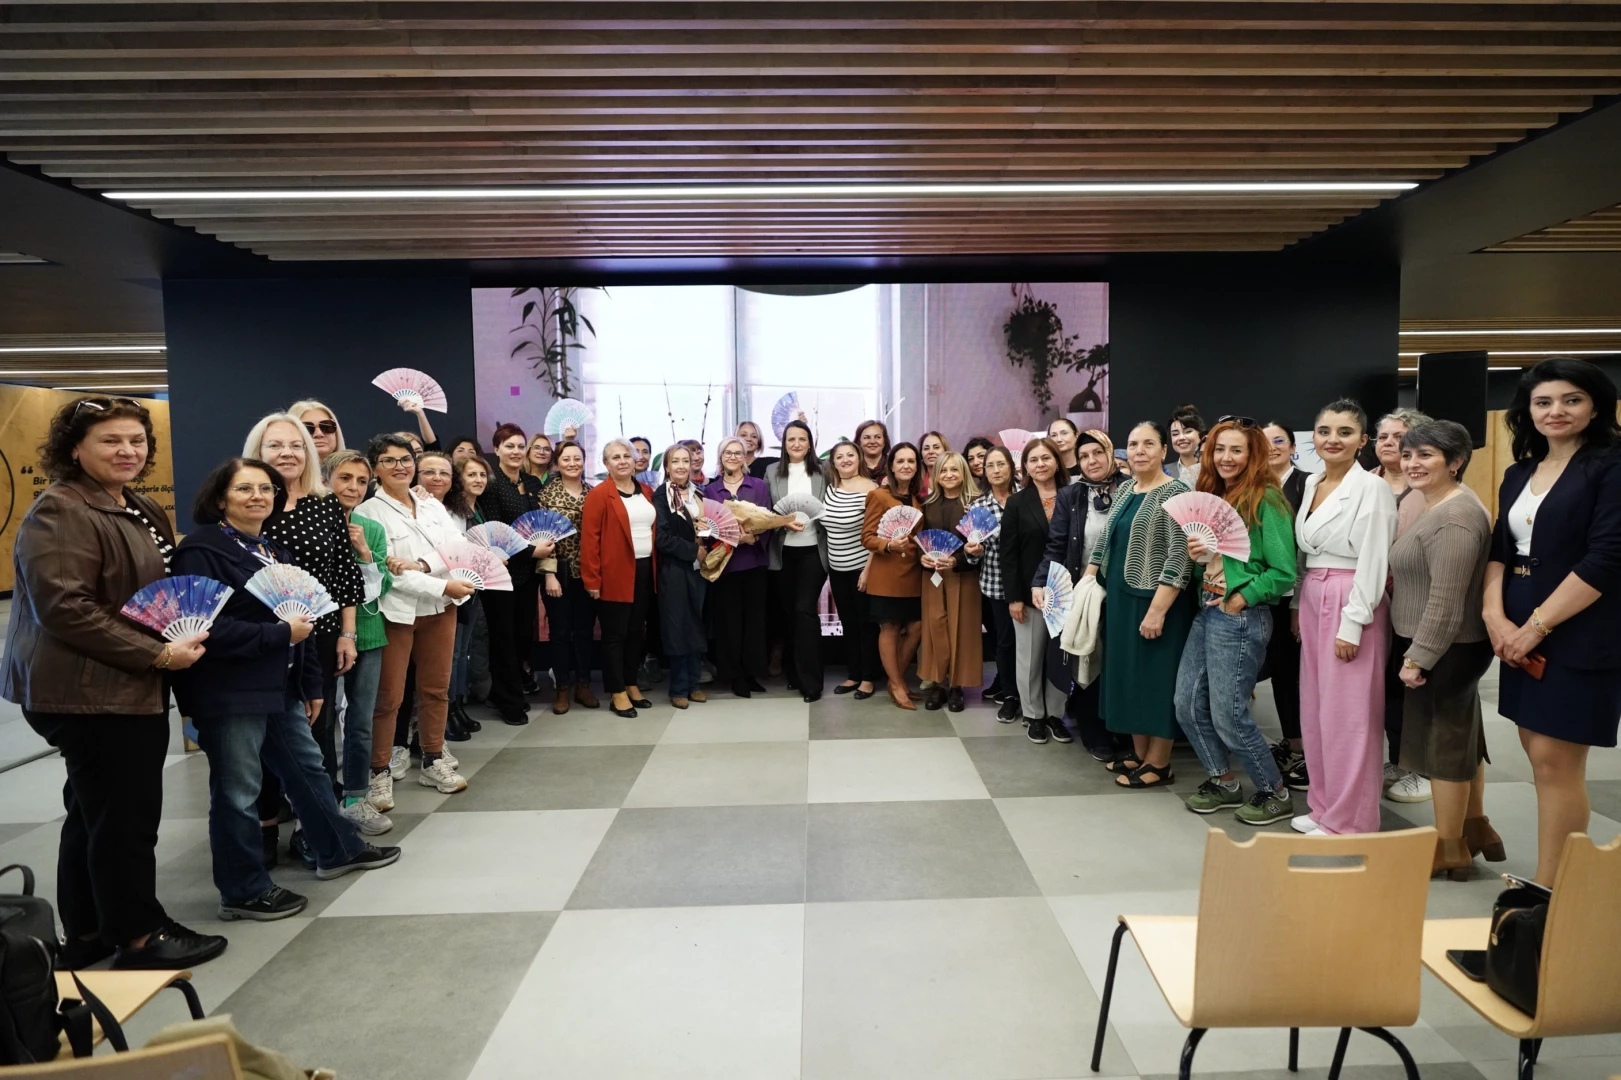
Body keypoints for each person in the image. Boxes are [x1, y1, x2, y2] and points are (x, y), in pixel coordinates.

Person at [4, 396, 225, 969]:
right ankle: (139, 936)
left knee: (94, 813)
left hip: (117, 684)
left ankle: (88, 933)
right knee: (125, 818)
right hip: (89, 691)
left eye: (137, 440)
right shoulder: (62, 510)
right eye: (110, 440)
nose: (128, 451)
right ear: (75, 448)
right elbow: (65, 608)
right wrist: (157, 654)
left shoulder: (135, 504)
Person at [174, 458, 400, 922]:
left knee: (308, 769)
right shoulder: (202, 550)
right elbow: (202, 628)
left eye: (266, 489)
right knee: (238, 790)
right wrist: (278, 635)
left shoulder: (275, 552)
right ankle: (242, 890)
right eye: (244, 489)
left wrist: (310, 683)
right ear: (220, 498)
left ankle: (337, 849)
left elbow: (306, 622)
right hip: (230, 689)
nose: (258, 496)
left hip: (282, 685)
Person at [1484, 358, 1621, 884]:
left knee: (1556, 761)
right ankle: (1553, 884)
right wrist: (1495, 616)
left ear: (1596, 407)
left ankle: (1550, 893)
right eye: (1543, 402)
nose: (1555, 411)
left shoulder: (1610, 467)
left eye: (1571, 399)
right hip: (1517, 621)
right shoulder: (1519, 472)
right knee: (1535, 750)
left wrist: (1535, 628)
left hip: (1579, 624)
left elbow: (1606, 559)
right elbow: (1500, 548)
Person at [244, 412, 364, 865]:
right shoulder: (251, 502)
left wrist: (348, 634)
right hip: (262, 638)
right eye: (276, 445)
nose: (288, 453)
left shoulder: (324, 503)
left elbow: (345, 574)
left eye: (296, 446)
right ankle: (264, 828)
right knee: (263, 737)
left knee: (317, 731)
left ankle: (313, 829)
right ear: (258, 451)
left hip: (321, 636)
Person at [1389, 421, 1499, 878]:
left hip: (1447, 648)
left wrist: (1419, 658)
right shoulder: (1436, 504)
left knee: (1444, 747)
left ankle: (1448, 846)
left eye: (1426, 455)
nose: (1413, 464)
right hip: (1443, 645)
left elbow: (1446, 600)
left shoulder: (1455, 516)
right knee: (1461, 737)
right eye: (1408, 455)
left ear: (1455, 462)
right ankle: (1473, 828)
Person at [1176, 419, 1299, 818]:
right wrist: (1199, 560)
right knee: (1186, 704)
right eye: (1219, 449)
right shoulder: (1214, 494)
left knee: (1228, 715)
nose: (1226, 458)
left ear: (1252, 455)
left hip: (1240, 617)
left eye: (1236, 450)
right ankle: (1223, 781)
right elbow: (1216, 562)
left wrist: (1242, 597)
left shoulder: (1267, 499)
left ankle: (1275, 791)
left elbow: (1283, 572)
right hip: (1207, 609)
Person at [356, 435, 478, 810]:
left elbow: (457, 548)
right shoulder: (368, 512)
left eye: (406, 459)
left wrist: (422, 565)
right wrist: (440, 580)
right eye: (389, 461)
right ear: (375, 469)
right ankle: (378, 770)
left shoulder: (430, 506)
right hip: (396, 612)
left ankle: (432, 758)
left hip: (441, 609)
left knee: (436, 689)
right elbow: (387, 574)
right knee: (388, 697)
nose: (400, 467)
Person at [1294, 400, 1397, 836]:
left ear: (1362, 441)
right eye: (1324, 431)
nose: (1332, 440)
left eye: (1344, 432)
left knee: (1350, 716)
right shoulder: (1312, 481)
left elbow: (1374, 560)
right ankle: (1323, 806)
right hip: (1315, 592)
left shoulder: (1373, 488)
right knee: (1316, 707)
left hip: (1353, 596)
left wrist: (1353, 622)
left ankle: (1351, 820)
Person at [1086, 422, 1195, 771]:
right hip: (1120, 600)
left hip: (1157, 602)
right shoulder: (1126, 489)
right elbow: (1105, 540)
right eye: (1133, 444)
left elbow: (1180, 556)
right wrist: (1087, 581)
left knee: (1156, 680)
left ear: (1164, 450)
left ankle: (1159, 763)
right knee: (1128, 678)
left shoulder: (1176, 492)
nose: (1139, 451)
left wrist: (1158, 611)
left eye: (1149, 444)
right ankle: (1139, 754)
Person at [1037, 430, 1126, 757]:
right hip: (1084, 590)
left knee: (1120, 661)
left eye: (1098, 453)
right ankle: (1094, 732)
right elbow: (1056, 545)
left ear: (1111, 453)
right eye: (1084, 456)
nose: (1092, 461)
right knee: (1089, 658)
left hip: (1126, 589)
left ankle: (1123, 729)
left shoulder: (1131, 489)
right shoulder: (1071, 495)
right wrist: (1039, 582)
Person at [323, 450, 397, 834]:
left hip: (367, 633)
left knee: (360, 720)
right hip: (321, 635)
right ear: (326, 480)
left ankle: (356, 796)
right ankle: (320, 799)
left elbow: (382, 586)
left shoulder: (371, 529)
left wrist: (365, 554)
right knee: (319, 723)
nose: (353, 487)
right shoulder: (311, 523)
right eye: (345, 478)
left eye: (361, 481)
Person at [1003, 438, 1074, 743]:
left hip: (1067, 593)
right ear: (1025, 468)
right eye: (1033, 460)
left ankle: (1055, 715)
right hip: (1029, 594)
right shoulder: (1017, 503)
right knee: (1029, 657)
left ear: (1057, 462)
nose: (1040, 464)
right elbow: (1008, 555)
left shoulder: (1073, 496)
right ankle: (1033, 715)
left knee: (1061, 656)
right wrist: (1014, 598)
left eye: (1046, 458)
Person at [582, 439, 658, 717]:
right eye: (615, 457)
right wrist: (592, 580)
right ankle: (617, 692)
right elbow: (589, 541)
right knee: (615, 635)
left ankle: (631, 682)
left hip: (644, 570)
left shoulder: (646, 491)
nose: (623, 461)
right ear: (606, 464)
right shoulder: (599, 495)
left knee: (637, 631)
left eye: (627, 455)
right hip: (614, 573)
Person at [477, 422, 546, 720]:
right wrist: (532, 551)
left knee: (521, 636)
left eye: (520, 446)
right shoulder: (492, 484)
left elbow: (539, 524)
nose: (516, 451)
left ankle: (507, 691)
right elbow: (496, 533)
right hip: (501, 574)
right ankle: (509, 702)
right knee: (503, 637)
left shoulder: (531, 483)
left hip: (527, 575)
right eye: (509, 446)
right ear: (497, 450)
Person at [1261, 421, 1311, 791]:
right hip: (1266, 594)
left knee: (1299, 673)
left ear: (1293, 446)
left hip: (1297, 593)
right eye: (1263, 443)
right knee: (1280, 669)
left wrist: (1297, 602)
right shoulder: (1254, 486)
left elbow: (1305, 550)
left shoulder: (1307, 484)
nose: (1272, 447)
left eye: (1279, 440)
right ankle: (1292, 742)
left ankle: (1308, 749)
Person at [703, 436, 772, 697]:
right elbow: (708, 528)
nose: (733, 457)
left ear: (745, 457)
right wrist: (734, 538)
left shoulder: (758, 486)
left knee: (755, 621)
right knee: (729, 622)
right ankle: (735, 676)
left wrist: (753, 538)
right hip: (727, 564)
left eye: (737, 453)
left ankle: (752, 672)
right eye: (727, 453)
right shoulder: (711, 491)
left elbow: (768, 519)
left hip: (754, 561)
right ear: (721, 458)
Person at [766, 420, 829, 701]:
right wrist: (782, 521)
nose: (796, 444)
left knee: (805, 611)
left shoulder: (824, 470)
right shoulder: (771, 472)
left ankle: (812, 682)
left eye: (802, 439)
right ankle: (794, 673)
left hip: (814, 550)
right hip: (782, 552)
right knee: (790, 613)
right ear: (784, 443)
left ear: (810, 443)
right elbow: (766, 511)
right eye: (791, 439)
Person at [535, 441, 598, 714]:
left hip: (588, 573)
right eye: (566, 459)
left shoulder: (594, 493)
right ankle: (562, 687)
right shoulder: (546, 495)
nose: (572, 463)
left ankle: (583, 684)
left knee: (584, 632)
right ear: (557, 463)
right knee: (559, 633)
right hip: (557, 573)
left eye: (577, 458)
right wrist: (549, 574)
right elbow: (541, 537)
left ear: (584, 461)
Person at [918, 452, 984, 711]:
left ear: (963, 472)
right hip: (933, 574)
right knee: (935, 626)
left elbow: (982, 543)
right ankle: (938, 682)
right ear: (936, 475)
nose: (948, 475)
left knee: (962, 628)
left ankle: (957, 685)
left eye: (954, 469)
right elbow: (919, 540)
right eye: (943, 470)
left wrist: (958, 560)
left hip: (963, 573)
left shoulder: (976, 503)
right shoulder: (926, 504)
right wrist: (922, 558)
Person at [863, 442, 925, 709]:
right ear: (891, 466)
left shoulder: (919, 500)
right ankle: (898, 684)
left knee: (917, 627)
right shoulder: (878, 496)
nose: (906, 466)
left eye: (911, 461)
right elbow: (867, 537)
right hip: (887, 574)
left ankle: (894, 678)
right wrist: (888, 545)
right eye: (900, 461)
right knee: (889, 627)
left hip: (913, 573)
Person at [820, 439, 880, 699]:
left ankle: (868, 677)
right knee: (848, 623)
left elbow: (877, 533)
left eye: (850, 455)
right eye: (839, 456)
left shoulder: (872, 489)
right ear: (833, 462)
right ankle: (853, 674)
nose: (845, 460)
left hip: (862, 568)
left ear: (859, 458)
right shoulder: (830, 488)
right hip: (837, 568)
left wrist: (868, 571)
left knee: (866, 624)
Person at [653, 444, 711, 708]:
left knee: (696, 625)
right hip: (674, 569)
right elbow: (662, 538)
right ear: (667, 466)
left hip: (700, 570)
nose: (680, 466)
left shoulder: (700, 493)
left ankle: (694, 684)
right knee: (677, 627)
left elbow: (710, 526)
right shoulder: (661, 496)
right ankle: (678, 688)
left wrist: (708, 540)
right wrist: (693, 550)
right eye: (675, 461)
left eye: (685, 461)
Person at [443, 454, 490, 733]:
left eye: (482, 475)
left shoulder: (477, 507)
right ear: (459, 478)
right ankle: (446, 712)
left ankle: (458, 705)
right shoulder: (452, 511)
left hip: (475, 588)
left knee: (463, 650)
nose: (478, 480)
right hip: (455, 588)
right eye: (472, 474)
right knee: (452, 652)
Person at [973, 445, 1021, 719]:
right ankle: (1010, 694)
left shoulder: (1027, 497)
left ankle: (1033, 695)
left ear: (1011, 467)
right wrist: (972, 552)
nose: (995, 470)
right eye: (989, 465)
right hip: (996, 583)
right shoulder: (979, 507)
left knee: (1032, 643)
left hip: (1030, 583)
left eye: (1000, 464)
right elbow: (973, 556)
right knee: (1005, 642)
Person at [1168, 404, 1206, 487]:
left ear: (1202, 435)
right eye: (1175, 434)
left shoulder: (1213, 470)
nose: (1181, 437)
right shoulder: (1164, 472)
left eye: (1188, 431)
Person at [917, 431, 950, 500]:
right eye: (926, 448)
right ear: (921, 454)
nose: (931, 452)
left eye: (936, 447)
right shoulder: (915, 481)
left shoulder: (954, 477)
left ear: (945, 451)